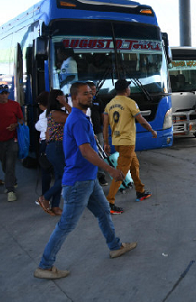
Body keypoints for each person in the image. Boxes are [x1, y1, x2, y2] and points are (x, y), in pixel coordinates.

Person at [34, 82, 136, 280]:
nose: (89, 96)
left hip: (87, 179)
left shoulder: (78, 116)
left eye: (90, 93)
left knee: (104, 212)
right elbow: (86, 150)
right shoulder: (78, 120)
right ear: (74, 97)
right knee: (66, 225)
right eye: (84, 94)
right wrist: (110, 169)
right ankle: (45, 266)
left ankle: (115, 246)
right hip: (78, 182)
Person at [103, 79, 156, 215]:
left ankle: (140, 191)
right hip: (127, 141)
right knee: (120, 172)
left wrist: (106, 142)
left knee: (134, 165)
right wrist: (152, 130)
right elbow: (141, 120)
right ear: (126, 89)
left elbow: (105, 126)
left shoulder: (110, 104)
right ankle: (110, 202)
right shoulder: (130, 102)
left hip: (117, 141)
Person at [0, 84, 23, 202]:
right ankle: (12, 181)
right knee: (4, 164)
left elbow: (21, 119)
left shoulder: (15, 105)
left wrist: (15, 125)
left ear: (8, 94)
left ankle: (10, 190)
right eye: (2, 93)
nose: (4, 95)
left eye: (6, 93)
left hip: (12, 139)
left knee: (10, 164)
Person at [38, 90, 68, 216]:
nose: (65, 98)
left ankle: (55, 206)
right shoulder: (56, 113)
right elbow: (76, 118)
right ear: (58, 99)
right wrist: (66, 104)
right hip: (57, 147)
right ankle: (45, 197)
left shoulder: (54, 113)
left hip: (57, 147)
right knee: (66, 177)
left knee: (60, 178)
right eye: (63, 97)